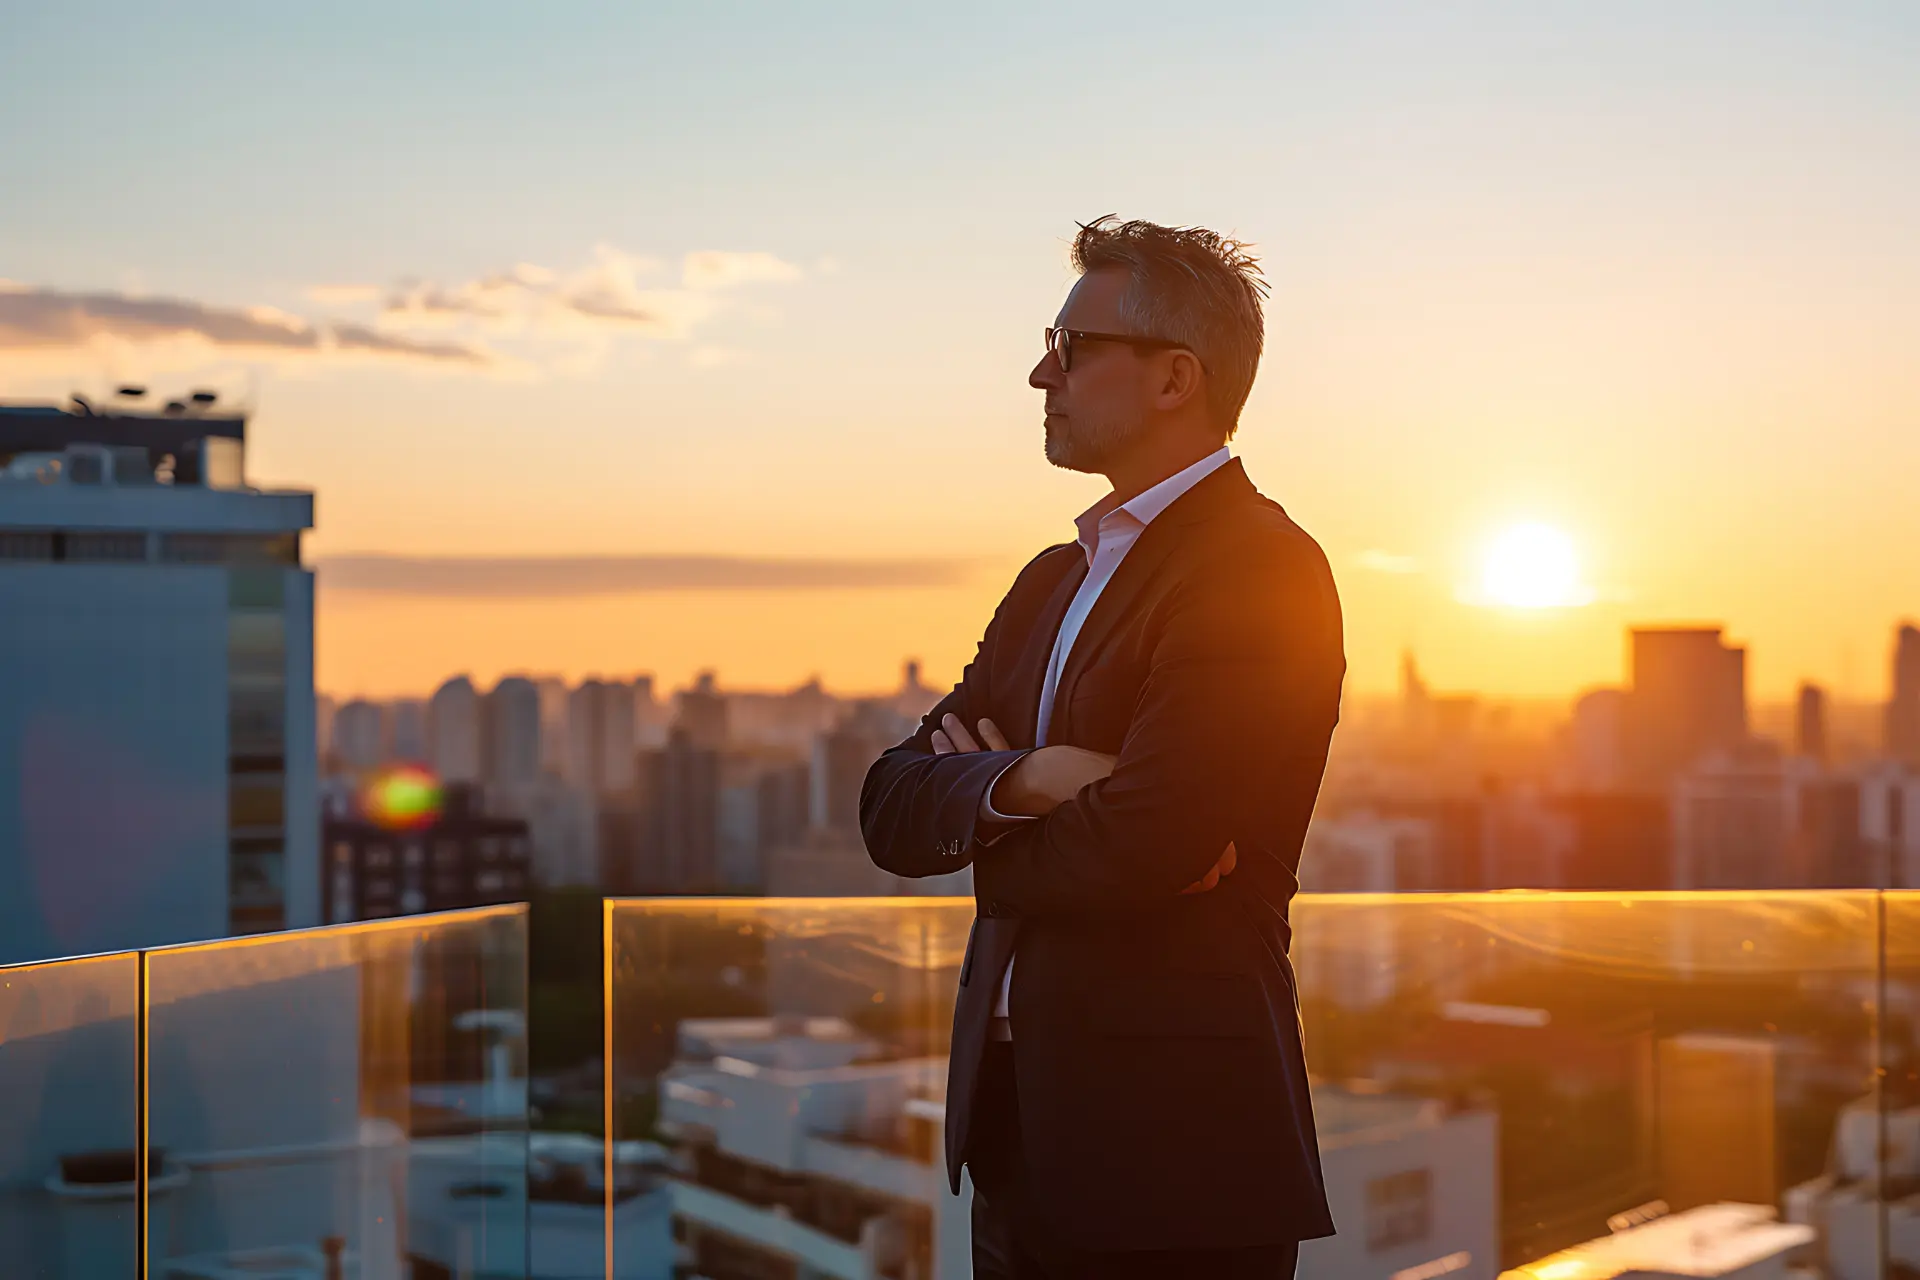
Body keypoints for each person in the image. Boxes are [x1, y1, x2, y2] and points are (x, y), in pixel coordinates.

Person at [860, 216, 1344, 1278]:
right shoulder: (1052, 578)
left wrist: (983, 809)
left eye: (1073, 348)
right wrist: (1033, 777)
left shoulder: (1261, 567)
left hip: (1174, 1153)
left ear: (1176, 377)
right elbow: (890, 805)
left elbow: (1153, 843)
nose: (1042, 372)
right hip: (1015, 1132)